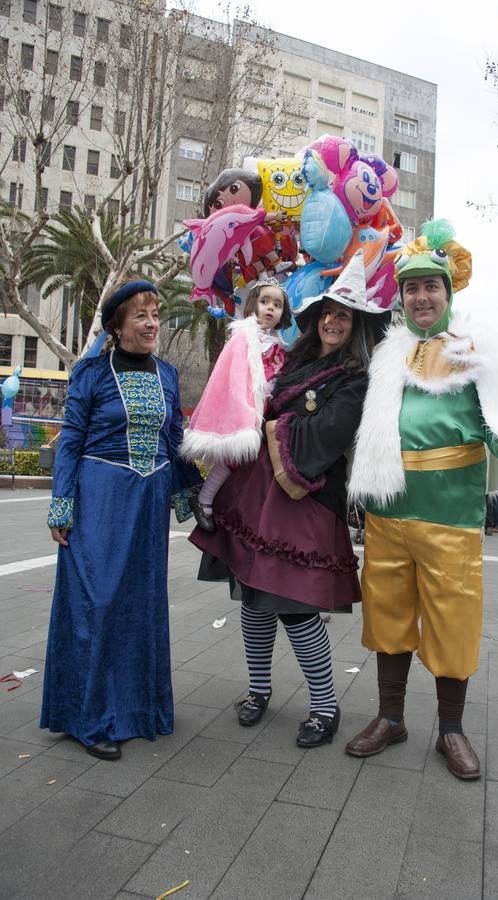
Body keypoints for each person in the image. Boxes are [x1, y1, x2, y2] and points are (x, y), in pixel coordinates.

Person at [345, 221, 498, 780]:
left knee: (453, 621)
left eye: (430, 287)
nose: (421, 297)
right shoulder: (387, 356)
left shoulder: (472, 352)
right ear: (402, 297)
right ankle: (391, 718)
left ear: (448, 291)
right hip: (388, 512)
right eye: (411, 288)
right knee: (386, 616)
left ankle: (452, 730)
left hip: (451, 515)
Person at [189, 251, 389, 748]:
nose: (333, 322)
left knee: (297, 609)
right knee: (253, 602)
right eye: (327, 314)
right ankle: (259, 690)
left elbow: (330, 433)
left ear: (356, 326)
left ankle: (325, 706)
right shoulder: (293, 361)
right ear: (316, 318)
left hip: (306, 499)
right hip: (256, 496)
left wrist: (271, 425)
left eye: (343, 316)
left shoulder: (355, 378)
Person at [40, 280, 202, 761]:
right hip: (100, 498)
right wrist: (62, 503)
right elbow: (70, 440)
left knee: (142, 602)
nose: (152, 324)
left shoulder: (168, 373)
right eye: (141, 316)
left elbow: (174, 439)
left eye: (155, 314)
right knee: (100, 600)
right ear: (118, 325)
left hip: (149, 502)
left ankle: (138, 710)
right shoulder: (91, 373)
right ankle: (90, 718)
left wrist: (198, 496)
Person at [179, 279, 292, 531]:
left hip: (268, 411)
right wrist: (247, 404)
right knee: (232, 459)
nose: (270, 308)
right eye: (265, 301)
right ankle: (204, 500)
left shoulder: (279, 346)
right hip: (243, 407)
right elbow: (231, 375)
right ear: (253, 305)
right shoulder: (243, 338)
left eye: (277, 305)